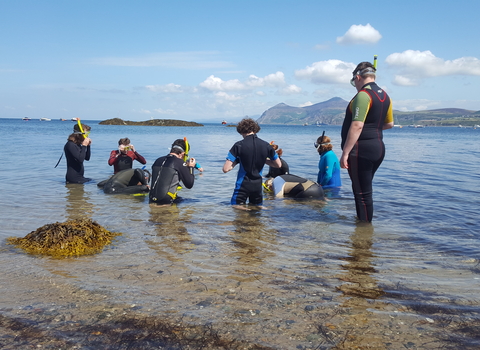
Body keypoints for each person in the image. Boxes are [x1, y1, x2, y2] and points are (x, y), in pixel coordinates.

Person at [340, 61, 394, 222]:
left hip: (361, 150)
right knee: (364, 190)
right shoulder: (384, 95)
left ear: (357, 77)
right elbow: (389, 124)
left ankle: (363, 238)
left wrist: (345, 153)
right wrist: (372, 130)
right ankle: (363, 230)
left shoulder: (364, 95)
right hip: (378, 148)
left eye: (353, 82)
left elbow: (357, 125)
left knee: (362, 194)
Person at [223, 117, 281, 206]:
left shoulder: (238, 145)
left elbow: (226, 169)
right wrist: (264, 160)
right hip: (257, 185)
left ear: (241, 131)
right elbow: (278, 165)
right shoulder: (266, 145)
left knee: (236, 208)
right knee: (256, 210)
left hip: (243, 185)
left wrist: (238, 160)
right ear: (255, 130)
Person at [149, 139, 196, 205]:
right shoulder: (179, 162)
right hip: (166, 200)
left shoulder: (158, 160)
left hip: (151, 198)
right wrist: (191, 167)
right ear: (182, 154)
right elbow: (189, 184)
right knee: (194, 202)